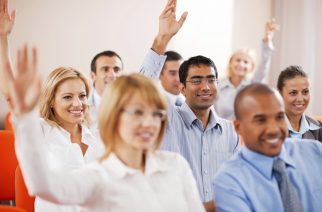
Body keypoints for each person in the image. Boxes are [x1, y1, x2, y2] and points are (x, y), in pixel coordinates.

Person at [3, 43, 205, 211]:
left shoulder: (176, 165)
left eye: (156, 114)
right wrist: (26, 114)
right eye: (137, 113)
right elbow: (44, 186)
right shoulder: (101, 175)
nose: (148, 123)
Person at [0, 2, 103, 211]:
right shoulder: (41, 130)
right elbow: (11, 94)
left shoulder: (98, 136)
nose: (78, 103)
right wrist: (2, 39)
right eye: (67, 97)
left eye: (82, 96)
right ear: (52, 102)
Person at [140, 0, 239, 209]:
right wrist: (162, 39)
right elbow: (141, 90)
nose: (205, 86)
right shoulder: (166, 119)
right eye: (196, 80)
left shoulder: (231, 131)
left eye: (211, 79)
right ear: (182, 88)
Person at [213, 83, 322, 211]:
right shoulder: (229, 181)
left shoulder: (315, 151)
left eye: (280, 117)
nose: (274, 129)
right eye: (260, 120)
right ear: (238, 127)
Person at [215, 20, 279, 120]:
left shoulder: (252, 86)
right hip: (221, 132)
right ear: (231, 63)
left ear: (251, 67)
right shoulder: (218, 85)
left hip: (245, 133)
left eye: (246, 62)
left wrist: (267, 39)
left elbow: (264, 65)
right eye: (238, 60)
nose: (241, 64)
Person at [277, 65, 322, 141]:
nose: (300, 99)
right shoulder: (270, 128)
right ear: (279, 94)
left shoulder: (318, 128)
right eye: (293, 93)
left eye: (305, 92)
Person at [88, 50, 123, 128]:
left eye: (116, 70)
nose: (112, 75)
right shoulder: (81, 108)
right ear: (93, 76)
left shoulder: (134, 104)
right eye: (105, 69)